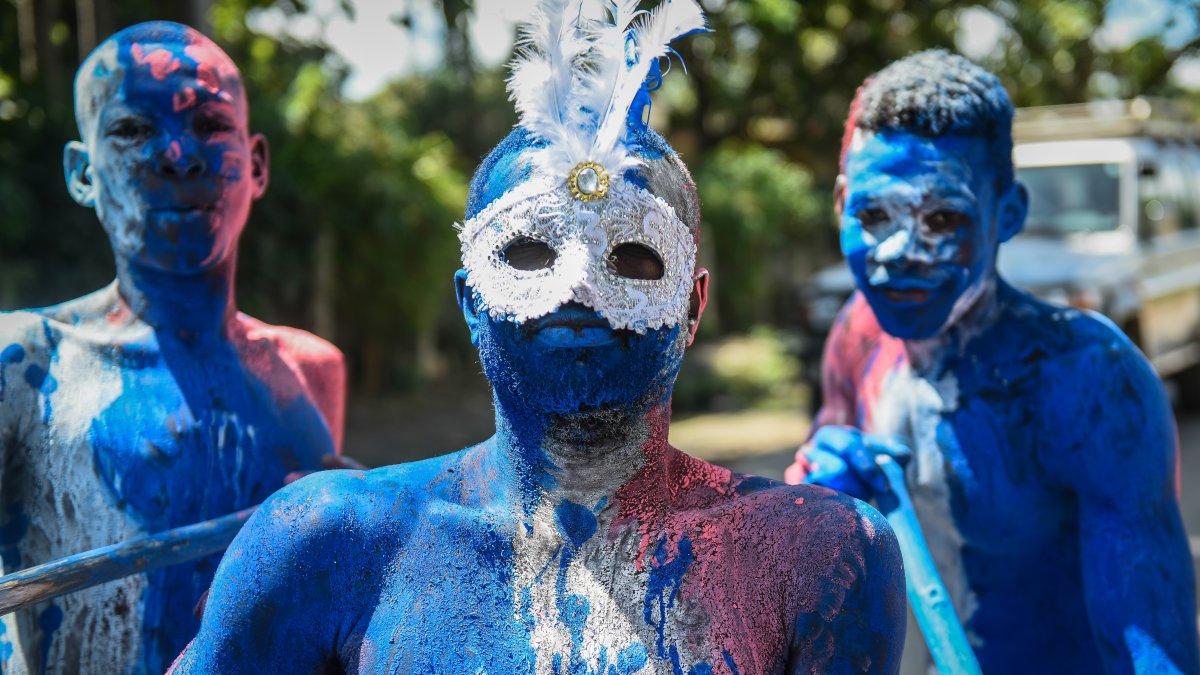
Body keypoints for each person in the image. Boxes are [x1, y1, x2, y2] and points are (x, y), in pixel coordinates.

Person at [171, 2, 905, 673]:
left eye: (634, 256)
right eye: (529, 251)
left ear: (693, 304)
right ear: (470, 300)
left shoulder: (816, 556)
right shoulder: (327, 542)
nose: (580, 285)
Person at [785, 49, 1200, 673]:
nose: (899, 253)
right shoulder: (858, 336)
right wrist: (818, 484)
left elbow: (1155, 653)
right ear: (841, 203)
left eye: (942, 218)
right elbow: (824, 467)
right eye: (873, 215)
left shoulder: (1088, 379)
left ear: (1008, 213)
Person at [0, 22, 346, 674]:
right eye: (132, 130)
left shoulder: (307, 369)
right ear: (82, 173)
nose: (179, 153)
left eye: (212, 125)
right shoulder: (24, 364)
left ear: (258, 163)